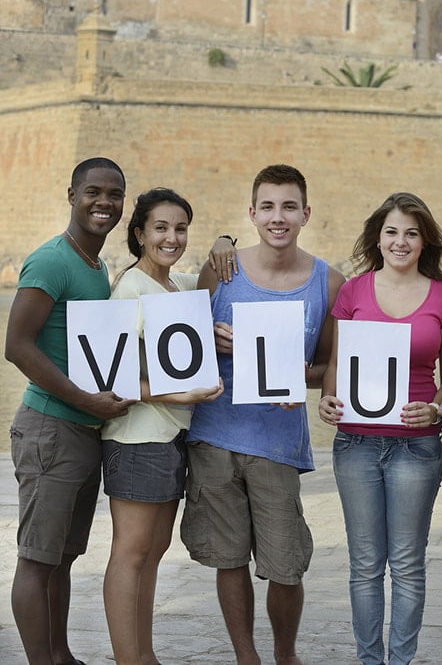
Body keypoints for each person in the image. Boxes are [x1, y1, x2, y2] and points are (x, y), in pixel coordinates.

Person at [180, 164, 345, 665]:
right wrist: (207, 337)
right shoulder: (221, 268)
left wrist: (304, 378)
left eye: (289, 206)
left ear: (306, 214)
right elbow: (182, 350)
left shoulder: (328, 282)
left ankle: (285, 655)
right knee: (228, 559)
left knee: (286, 564)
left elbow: (328, 366)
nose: (279, 217)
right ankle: (246, 656)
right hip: (214, 436)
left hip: (278, 444)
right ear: (252, 214)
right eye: (268, 207)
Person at [317, 192, 442, 664]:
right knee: (364, 566)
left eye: (411, 233)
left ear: (425, 242)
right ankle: (368, 660)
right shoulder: (353, 291)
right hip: (355, 444)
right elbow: (338, 361)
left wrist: (437, 409)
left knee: (406, 565)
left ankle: (399, 661)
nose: (400, 242)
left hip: (416, 448)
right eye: (392, 232)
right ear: (378, 238)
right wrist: (328, 399)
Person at [4, 157, 135, 665]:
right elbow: (17, 346)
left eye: (115, 194)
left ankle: (61, 656)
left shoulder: (95, 264)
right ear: (71, 195)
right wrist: (84, 400)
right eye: (93, 192)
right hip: (51, 428)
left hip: (83, 432)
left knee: (61, 558)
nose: (104, 202)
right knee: (37, 561)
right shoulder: (52, 260)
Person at [99, 188, 226, 665]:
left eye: (180, 228)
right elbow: (114, 377)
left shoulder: (178, 286)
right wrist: (183, 395)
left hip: (170, 437)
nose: (172, 238)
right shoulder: (131, 288)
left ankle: (143, 655)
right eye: (160, 228)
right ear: (139, 234)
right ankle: (128, 658)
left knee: (152, 553)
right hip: (137, 437)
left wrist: (225, 237)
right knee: (131, 553)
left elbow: (216, 274)